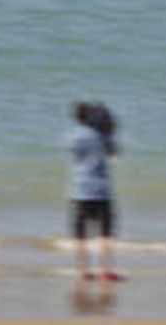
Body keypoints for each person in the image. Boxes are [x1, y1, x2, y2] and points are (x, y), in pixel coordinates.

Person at [67, 101, 121, 281]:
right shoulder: (104, 136)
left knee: (80, 234)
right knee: (105, 233)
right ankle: (106, 270)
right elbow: (115, 154)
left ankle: (84, 272)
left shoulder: (75, 136)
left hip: (80, 190)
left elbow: (74, 154)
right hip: (102, 190)